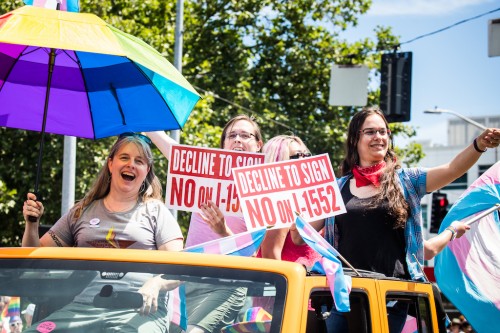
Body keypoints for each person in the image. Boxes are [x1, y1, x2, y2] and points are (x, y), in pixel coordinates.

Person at [293, 106, 500, 332]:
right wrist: (290, 202)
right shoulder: (335, 188)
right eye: (370, 132)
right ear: (355, 139)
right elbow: (300, 237)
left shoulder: (408, 181)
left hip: (390, 298)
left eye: (383, 132)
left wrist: (478, 146)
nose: (379, 137)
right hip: (343, 297)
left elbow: (452, 169)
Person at [22, 133, 184, 333]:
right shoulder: (82, 210)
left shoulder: (157, 212)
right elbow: (34, 256)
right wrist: (32, 224)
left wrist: (157, 283)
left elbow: (179, 269)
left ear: (147, 170)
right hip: (82, 310)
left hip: (138, 311)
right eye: (124, 158)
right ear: (110, 163)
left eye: (139, 161)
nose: (131, 164)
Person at [147, 114, 264, 333]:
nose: (238, 139)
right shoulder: (204, 174)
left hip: (227, 283)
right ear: (223, 145)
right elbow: (167, 145)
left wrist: (223, 231)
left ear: (258, 145)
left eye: (245, 135)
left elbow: (253, 252)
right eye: (232, 135)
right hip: (184, 280)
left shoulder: (263, 190)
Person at [256, 135, 321, 266]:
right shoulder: (278, 201)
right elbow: (270, 257)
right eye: (297, 156)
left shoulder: (307, 200)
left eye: (307, 155)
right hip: (291, 284)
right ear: (278, 162)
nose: (304, 160)